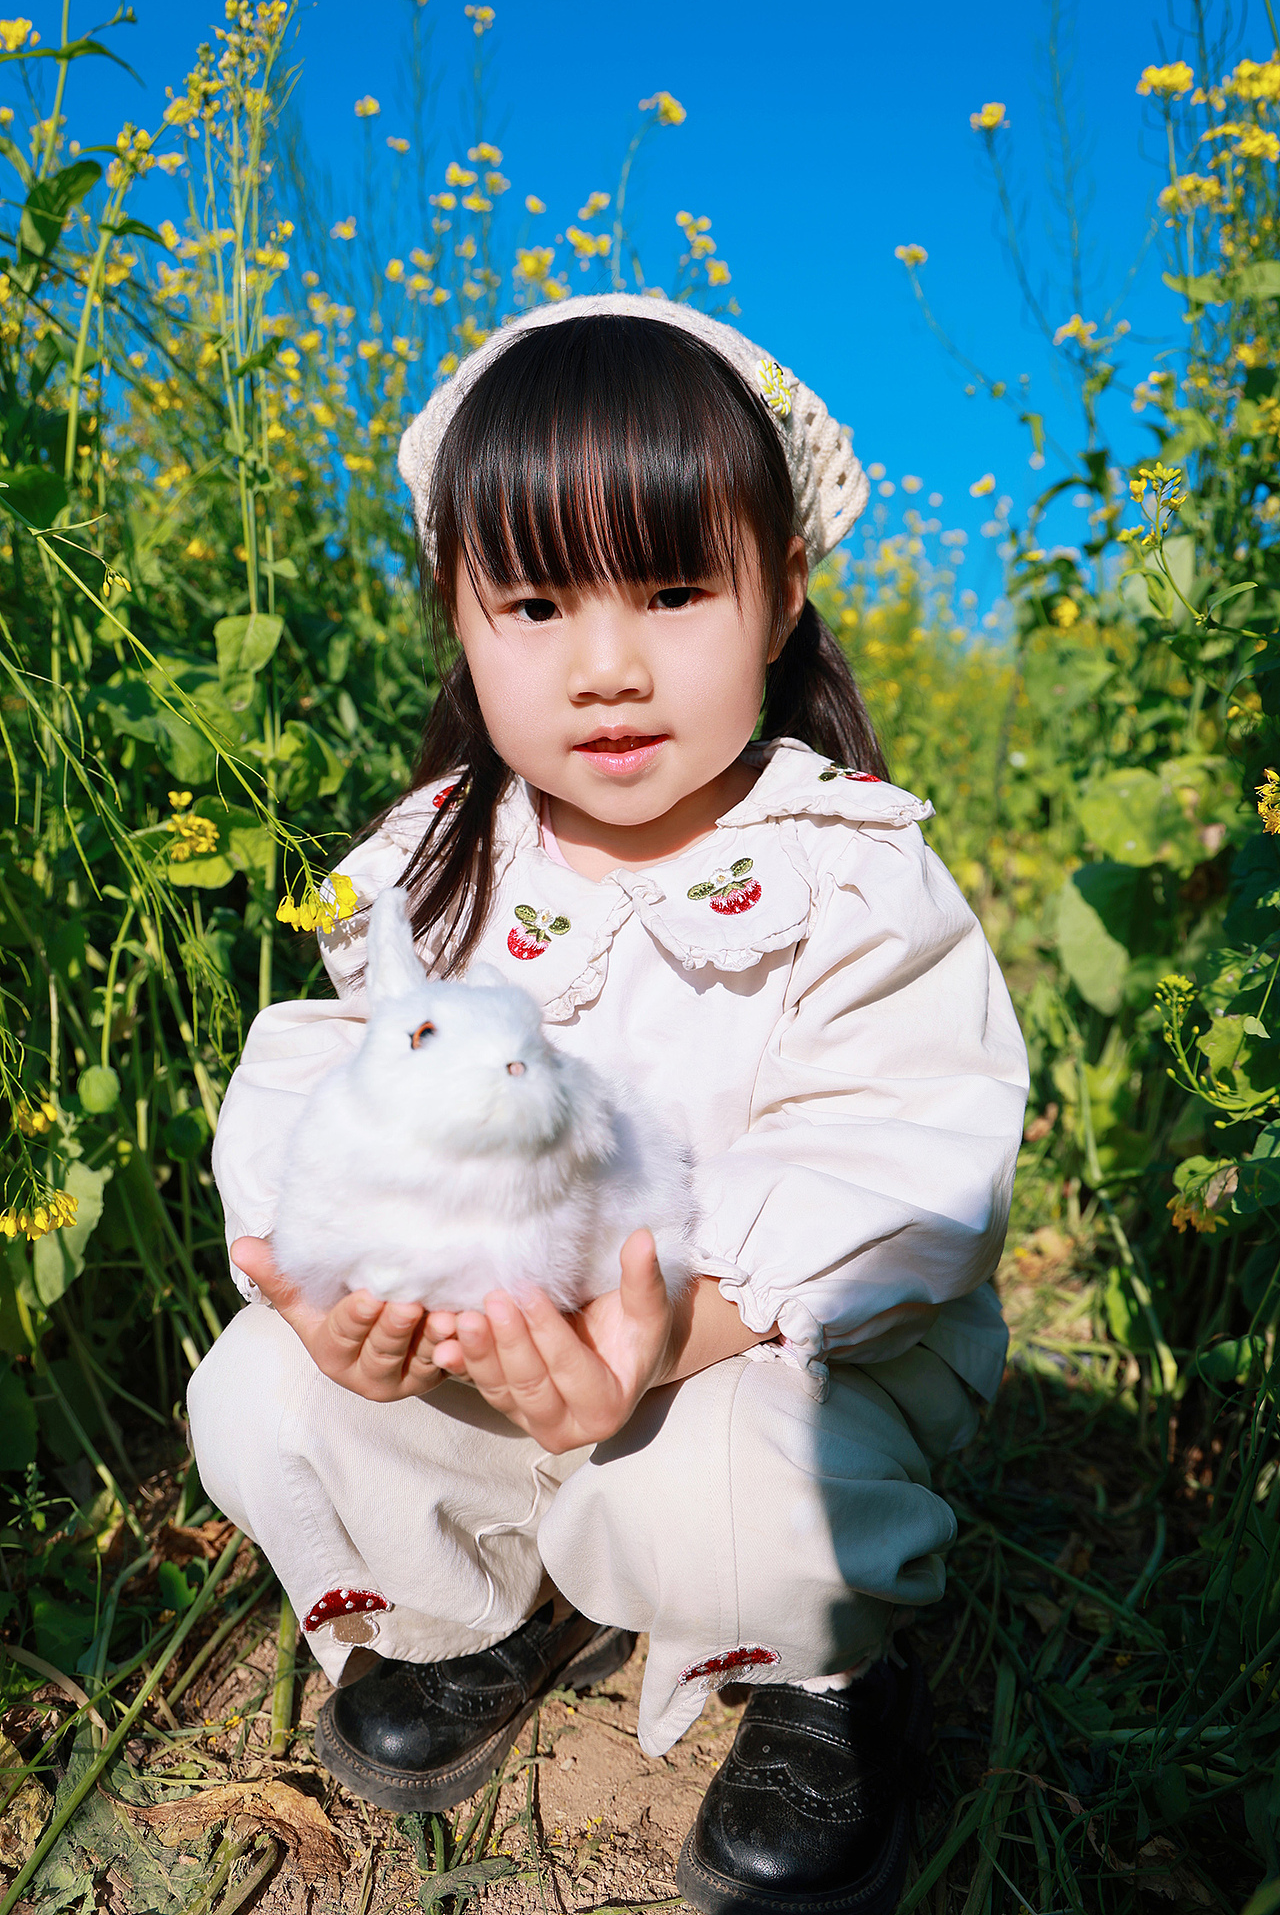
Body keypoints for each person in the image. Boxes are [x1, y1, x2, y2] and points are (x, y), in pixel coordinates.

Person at [187, 294, 1028, 1915]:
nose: (610, 665)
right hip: (501, 1347)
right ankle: (480, 1612)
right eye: (538, 603)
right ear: (459, 616)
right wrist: (340, 1281)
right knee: (266, 1397)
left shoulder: (845, 867)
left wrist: (675, 1329)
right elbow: (336, 1071)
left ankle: (816, 1680)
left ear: (783, 593)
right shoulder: (432, 864)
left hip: (754, 1364)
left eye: (672, 587)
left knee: (718, 1493)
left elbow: (907, 1139)